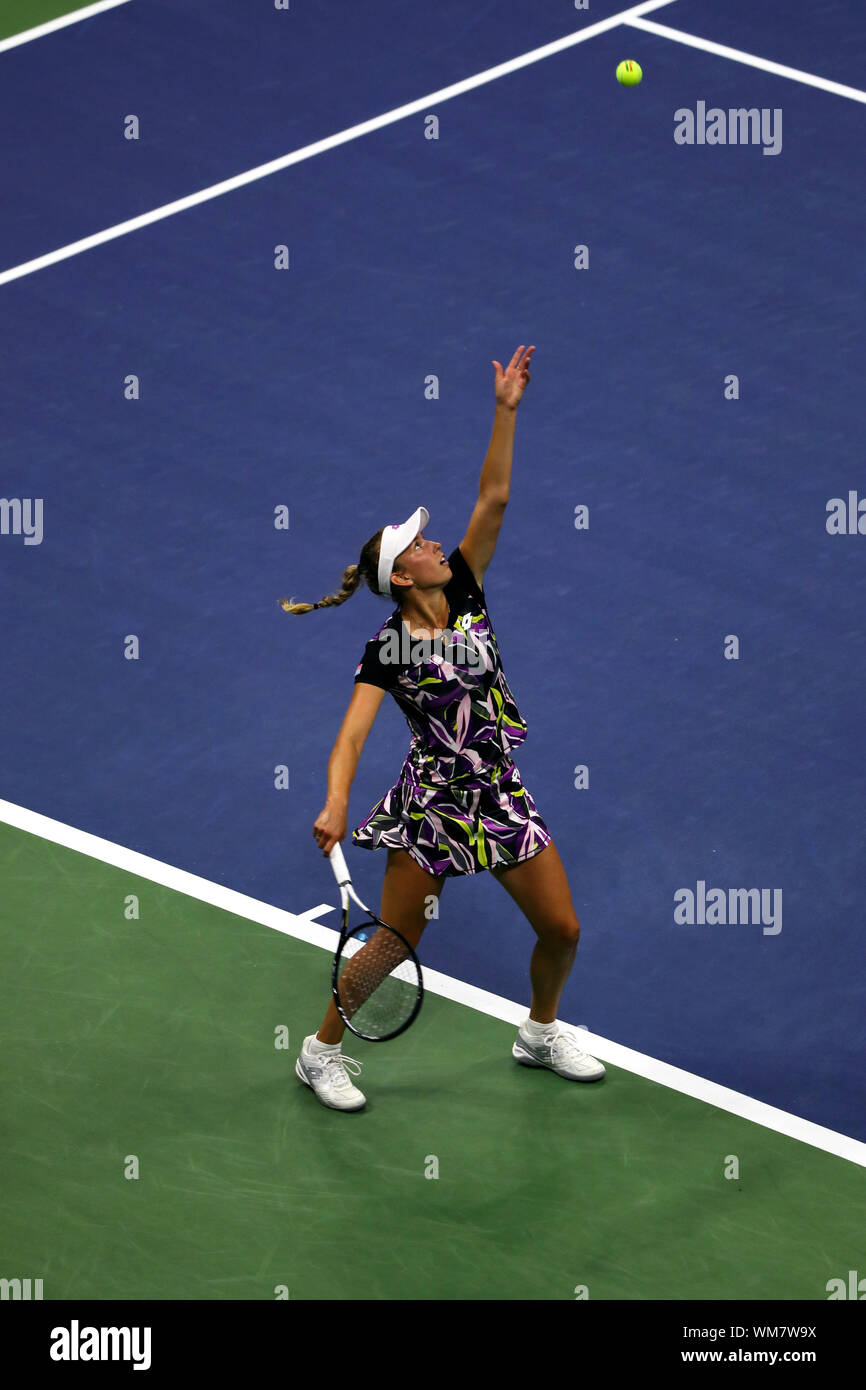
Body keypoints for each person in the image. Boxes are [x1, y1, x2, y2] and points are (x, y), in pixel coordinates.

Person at [280, 345, 604, 1111]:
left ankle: (539, 1032)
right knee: (394, 943)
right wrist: (334, 803)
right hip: (432, 808)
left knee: (562, 928)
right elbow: (351, 739)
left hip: (498, 791)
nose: (434, 545)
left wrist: (505, 410)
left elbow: (492, 500)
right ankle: (320, 1052)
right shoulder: (386, 648)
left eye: (430, 541)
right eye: (420, 546)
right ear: (402, 577)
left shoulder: (463, 591)